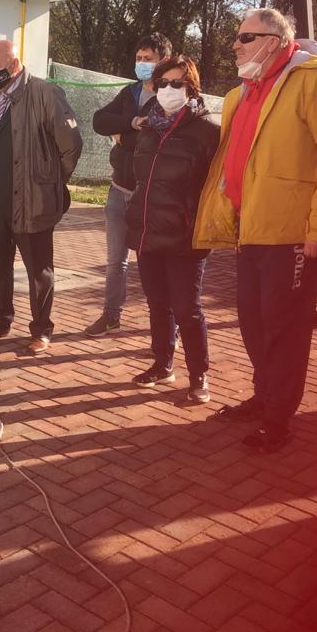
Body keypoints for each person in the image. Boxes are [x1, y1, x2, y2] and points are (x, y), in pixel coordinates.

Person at [193, 8, 317, 451]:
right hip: (250, 231)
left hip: (292, 235)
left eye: (245, 37)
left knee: (284, 329)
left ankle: (278, 418)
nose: (236, 44)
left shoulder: (312, 81)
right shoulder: (240, 94)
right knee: (253, 322)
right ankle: (264, 396)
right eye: (237, 36)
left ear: (274, 40)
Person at [0, 39, 82, 354]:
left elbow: (71, 144)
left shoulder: (45, 93)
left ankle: (41, 330)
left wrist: (50, 181)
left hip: (32, 200)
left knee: (38, 270)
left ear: (14, 64)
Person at [125, 56, 220, 402]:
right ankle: (163, 364)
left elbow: (217, 185)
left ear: (191, 88)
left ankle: (199, 374)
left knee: (187, 309)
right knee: (158, 304)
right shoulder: (148, 127)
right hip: (148, 232)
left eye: (177, 83)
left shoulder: (208, 130)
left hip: (185, 236)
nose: (168, 89)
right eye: (163, 83)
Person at [88, 32, 172, 337]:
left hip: (150, 195)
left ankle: (167, 329)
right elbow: (99, 121)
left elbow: (158, 138)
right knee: (116, 262)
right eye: (139, 58)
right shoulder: (130, 92)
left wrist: (124, 135)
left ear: (164, 61)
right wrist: (133, 123)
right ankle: (111, 316)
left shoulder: (171, 94)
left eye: (148, 59)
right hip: (119, 190)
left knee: (155, 265)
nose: (142, 63)